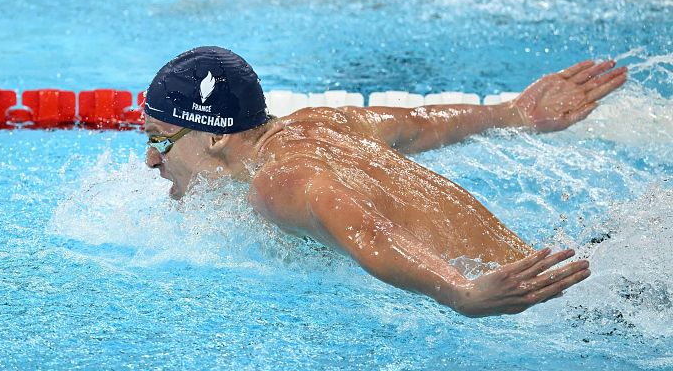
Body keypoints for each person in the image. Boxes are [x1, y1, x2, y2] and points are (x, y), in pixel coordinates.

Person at [143, 46, 628, 317]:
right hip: (560, 270)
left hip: (540, 302)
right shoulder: (317, 123)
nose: (150, 159)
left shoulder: (278, 183)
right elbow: (419, 122)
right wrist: (512, 113)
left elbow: (368, 231)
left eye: (160, 139)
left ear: (213, 138)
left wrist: (460, 291)